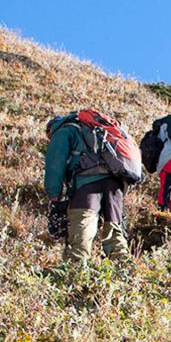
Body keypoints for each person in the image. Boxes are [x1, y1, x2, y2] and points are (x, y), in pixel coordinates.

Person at [44, 112, 133, 262]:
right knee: (115, 235)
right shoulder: (97, 130)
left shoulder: (63, 131)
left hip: (87, 185)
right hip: (115, 185)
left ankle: (75, 272)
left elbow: (55, 164)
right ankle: (125, 271)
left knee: (82, 233)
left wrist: (54, 195)